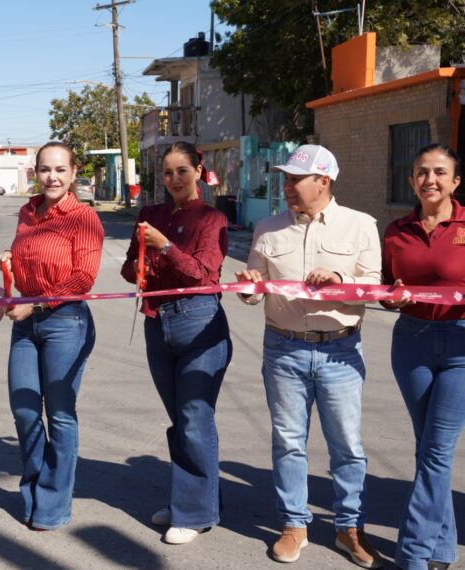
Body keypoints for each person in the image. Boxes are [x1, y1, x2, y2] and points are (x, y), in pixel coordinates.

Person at [235, 144, 383, 568]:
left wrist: (340, 278)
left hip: (340, 350)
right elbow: (253, 289)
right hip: (283, 348)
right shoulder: (267, 228)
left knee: (348, 446)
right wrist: (248, 285)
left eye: (295, 178)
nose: (286, 186)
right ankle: (293, 525)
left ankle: (349, 528)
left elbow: (374, 284)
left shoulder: (360, 226)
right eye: (285, 178)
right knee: (288, 443)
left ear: (324, 180)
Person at [120, 141, 232, 545]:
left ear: (198, 172)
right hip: (157, 320)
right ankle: (193, 499)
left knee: (194, 419)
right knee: (180, 421)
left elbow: (204, 274)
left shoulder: (212, 218)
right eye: (167, 173)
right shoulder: (150, 214)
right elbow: (128, 270)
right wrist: (140, 263)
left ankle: (194, 511)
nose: (174, 180)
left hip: (199, 322)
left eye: (182, 171)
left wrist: (164, 247)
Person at [0, 141, 103, 530]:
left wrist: (37, 305)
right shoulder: (27, 212)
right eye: (45, 169)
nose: (52, 177)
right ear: (35, 173)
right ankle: (35, 489)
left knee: (59, 415)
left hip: (65, 322)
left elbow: (82, 278)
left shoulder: (84, 216)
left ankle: (53, 503)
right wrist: (11, 258)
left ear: (73, 174)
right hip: (26, 319)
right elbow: (32, 256)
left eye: (60, 170)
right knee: (24, 411)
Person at [381, 143, 463, 570]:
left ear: (455, 181)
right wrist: (391, 299)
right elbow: (383, 284)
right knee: (429, 447)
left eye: (438, 172)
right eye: (421, 172)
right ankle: (443, 547)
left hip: (462, 346)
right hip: (411, 340)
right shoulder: (396, 230)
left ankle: (412, 554)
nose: (429, 179)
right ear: (412, 180)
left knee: (435, 450)